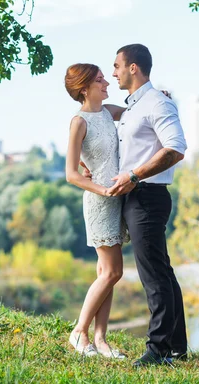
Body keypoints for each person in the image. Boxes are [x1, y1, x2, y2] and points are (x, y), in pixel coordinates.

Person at [106, 43, 188, 366]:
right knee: (163, 272)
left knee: (153, 276)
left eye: (116, 66)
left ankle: (158, 350)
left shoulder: (157, 103)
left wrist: (134, 176)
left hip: (148, 197)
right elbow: (113, 117)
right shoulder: (133, 108)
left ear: (133, 68)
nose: (113, 72)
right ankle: (177, 347)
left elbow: (176, 148)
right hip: (137, 195)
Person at [64, 63, 129, 359]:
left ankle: (101, 339)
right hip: (99, 201)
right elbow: (71, 175)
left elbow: (134, 111)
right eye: (100, 80)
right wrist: (103, 190)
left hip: (116, 198)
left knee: (106, 273)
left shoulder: (108, 112)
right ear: (84, 88)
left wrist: (160, 96)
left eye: (105, 78)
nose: (107, 83)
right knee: (113, 270)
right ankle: (79, 331)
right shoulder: (79, 122)